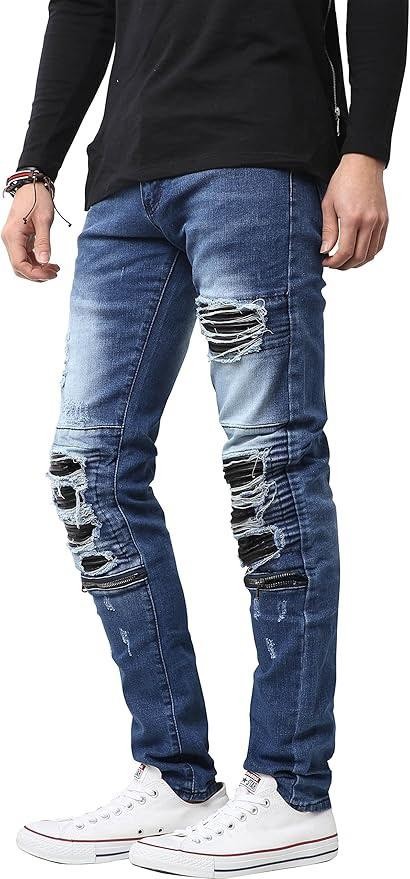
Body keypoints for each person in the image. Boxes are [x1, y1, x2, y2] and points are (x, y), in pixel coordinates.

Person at [2, 1, 407, 874]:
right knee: (87, 474)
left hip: (256, 148)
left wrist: (367, 146)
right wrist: (35, 165)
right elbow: (83, 9)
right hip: (125, 178)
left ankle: (293, 787)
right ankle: (176, 773)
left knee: (270, 470)